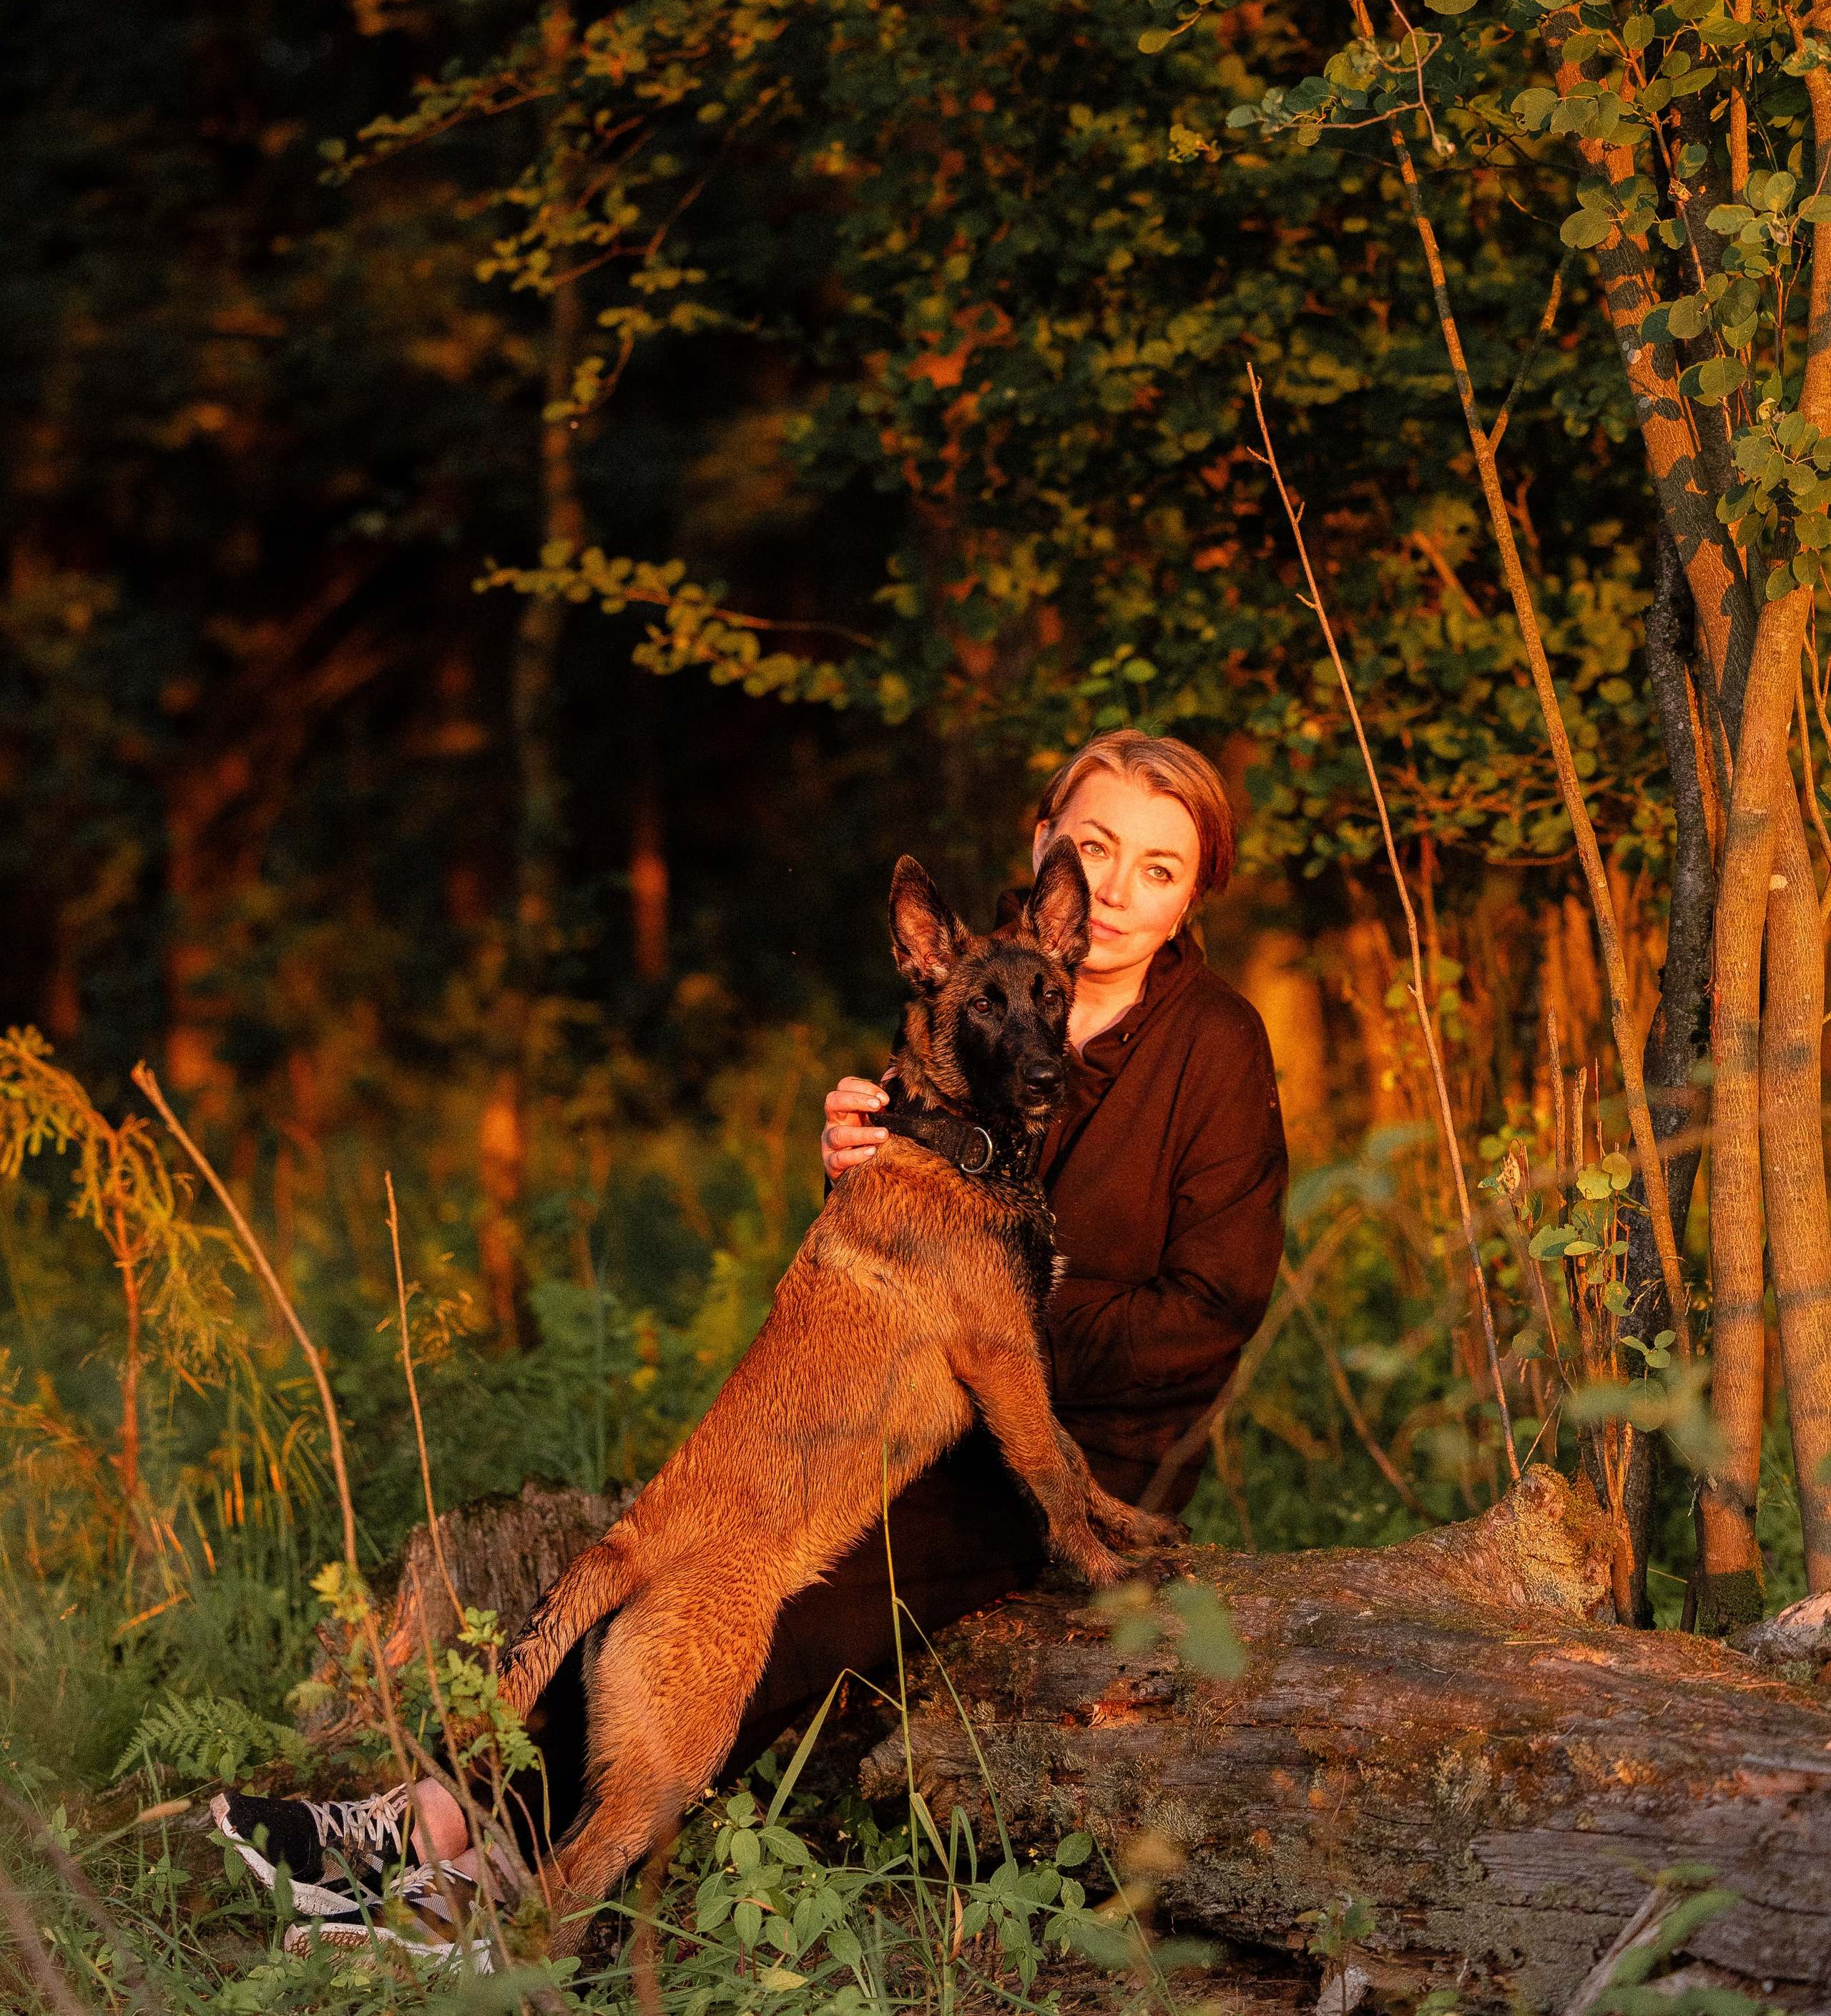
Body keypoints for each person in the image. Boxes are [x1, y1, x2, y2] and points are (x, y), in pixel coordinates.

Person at [215, 728, 1287, 1962]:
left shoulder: (1215, 1045)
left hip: (1080, 1446)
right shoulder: (969, 990)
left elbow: (1211, 1307)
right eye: (1093, 848)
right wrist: (852, 1167)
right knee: (693, 1541)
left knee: (793, 1597)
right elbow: (887, 1258)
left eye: (1160, 866)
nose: (1115, 889)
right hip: (898, 1398)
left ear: (1196, 891)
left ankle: (501, 1886)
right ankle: (435, 1831)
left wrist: (998, 1319)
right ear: (1042, 843)